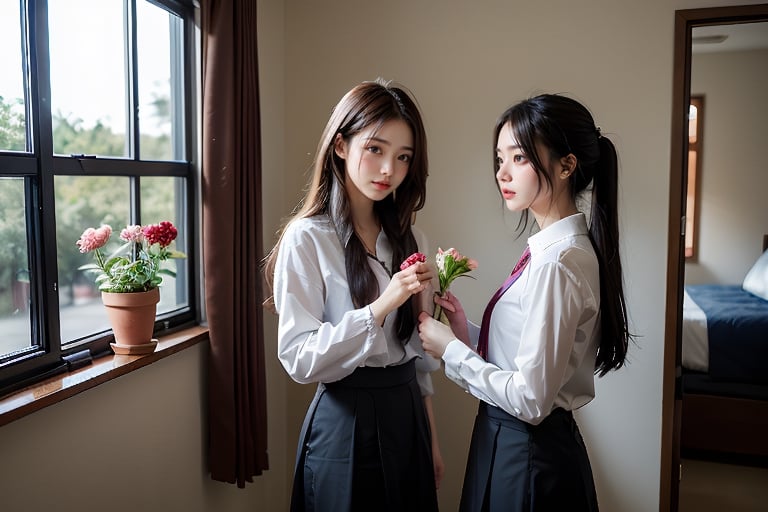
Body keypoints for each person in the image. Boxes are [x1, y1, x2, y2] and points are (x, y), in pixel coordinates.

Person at [417, 93, 631, 511]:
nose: (503, 173)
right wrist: (464, 330)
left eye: (519, 158)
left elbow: (531, 400)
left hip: (529, 454)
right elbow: (525, 354)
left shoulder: (558, 262)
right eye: (499, 159)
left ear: (567, 165)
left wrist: (452, 351)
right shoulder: (553, 251)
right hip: (515, 444)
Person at [263, 78, 442, 512]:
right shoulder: (307, 239)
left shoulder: (409, 236)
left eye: (403, 158)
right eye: (376, 149)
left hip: (408, 419)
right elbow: (299, 357)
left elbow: (417, 356)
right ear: (341, 145)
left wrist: (431, 440)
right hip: (344, 424)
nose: (388, 170)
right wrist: (381, 306)